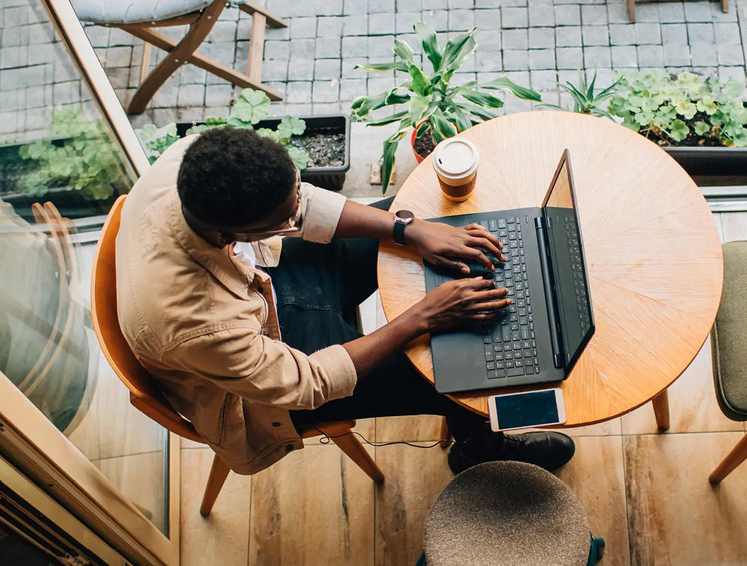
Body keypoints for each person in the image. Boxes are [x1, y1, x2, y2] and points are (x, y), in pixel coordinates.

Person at [114, 127, 574, 476]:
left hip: (263, 281)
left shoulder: (193, 163)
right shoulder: (195, 323)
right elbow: (306, 383)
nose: (298, 212)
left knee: (420, 220)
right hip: (270, 371)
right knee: (454, 372)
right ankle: (481, 453)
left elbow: (299, 203)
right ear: (232, 234)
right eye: (286, 218)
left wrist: (407, 228)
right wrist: (423, 316)